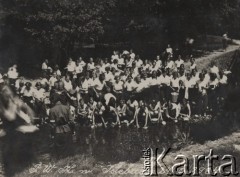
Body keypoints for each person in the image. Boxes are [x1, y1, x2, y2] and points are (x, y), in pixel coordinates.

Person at [0, 85, 38, 177]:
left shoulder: (13, 101)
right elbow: (10, 116)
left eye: (7, 92)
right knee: (8, 160)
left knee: (13, 159)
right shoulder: (4, 104)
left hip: (14, 134)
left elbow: (27, 110)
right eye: (3, 92)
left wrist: (29, 112)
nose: (5, 94)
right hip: (9, 134)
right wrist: (12, 105)